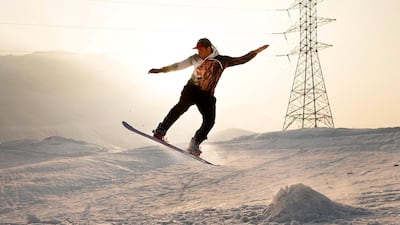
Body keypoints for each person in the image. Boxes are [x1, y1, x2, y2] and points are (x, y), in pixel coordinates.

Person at [149, 38, 269, 157]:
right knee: (180, 108)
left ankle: (194, 144)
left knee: (209, 122)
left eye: (201, 49)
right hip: (191, 89)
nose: (199, 52)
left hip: (206, 95)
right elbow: (178, 66)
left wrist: (255, 52)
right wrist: (161, 70)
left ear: (209, 48)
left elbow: (241, 60)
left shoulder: (222, 60)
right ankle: (161, 130)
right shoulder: (194, 58)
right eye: (198, 49)